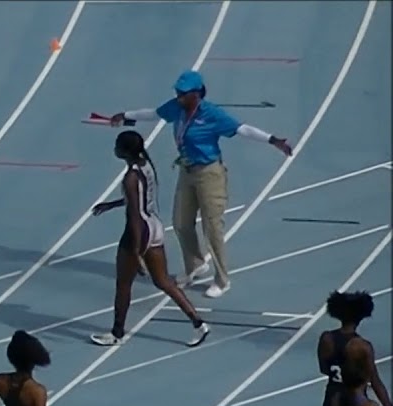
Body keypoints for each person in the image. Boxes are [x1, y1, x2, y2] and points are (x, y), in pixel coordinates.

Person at [110, 69, 293, 299]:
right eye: (177, 92)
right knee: (180, 222)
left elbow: (242, 129)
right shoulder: (176, 108)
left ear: (196, 94)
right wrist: (125, 115)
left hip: (210, 174)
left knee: (212, 227)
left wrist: (273, 140)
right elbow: (154, 113)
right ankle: (195, 264)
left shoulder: (212, 114)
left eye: (183, 93)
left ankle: (222, 279)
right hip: (186, 172)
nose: (178, 97)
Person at [89, 130, 210, 348]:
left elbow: (134, 213)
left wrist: (136, 251)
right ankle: (198, 323)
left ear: (124, 151)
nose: (114, 148)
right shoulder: (146, 164)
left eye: (117, 145)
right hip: (154, 225)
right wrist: (111, 205)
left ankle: (117, 333)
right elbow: (140, 198)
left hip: (139, 230)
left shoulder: (129, 178)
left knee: (123, 284)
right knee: (163, 281)